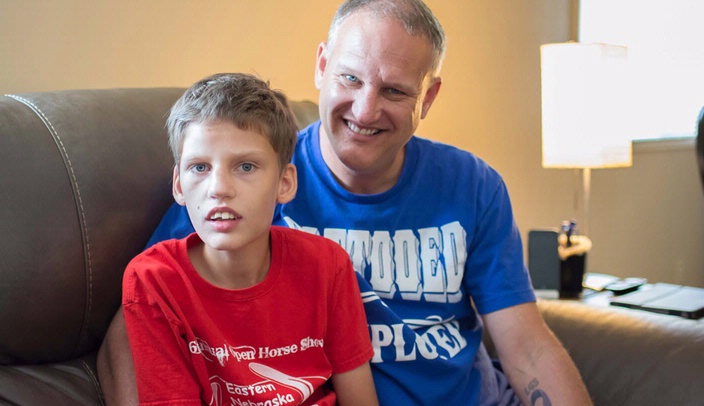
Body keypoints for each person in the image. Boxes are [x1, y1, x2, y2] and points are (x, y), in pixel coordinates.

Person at [99, 1, 592, 405]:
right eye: (351, 79)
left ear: (429, 96)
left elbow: (526, 346)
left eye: (395, 90)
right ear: (321, 66)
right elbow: (140, 317)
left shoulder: (473, 185)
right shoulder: (251, 179)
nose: (365, 109)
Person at [119, 72, 377, 406]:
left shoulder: (328, 265)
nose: (219, 188)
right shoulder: (154, 282)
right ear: (179, 185)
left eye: (245, 166)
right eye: (199, 167)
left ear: (285, 182)